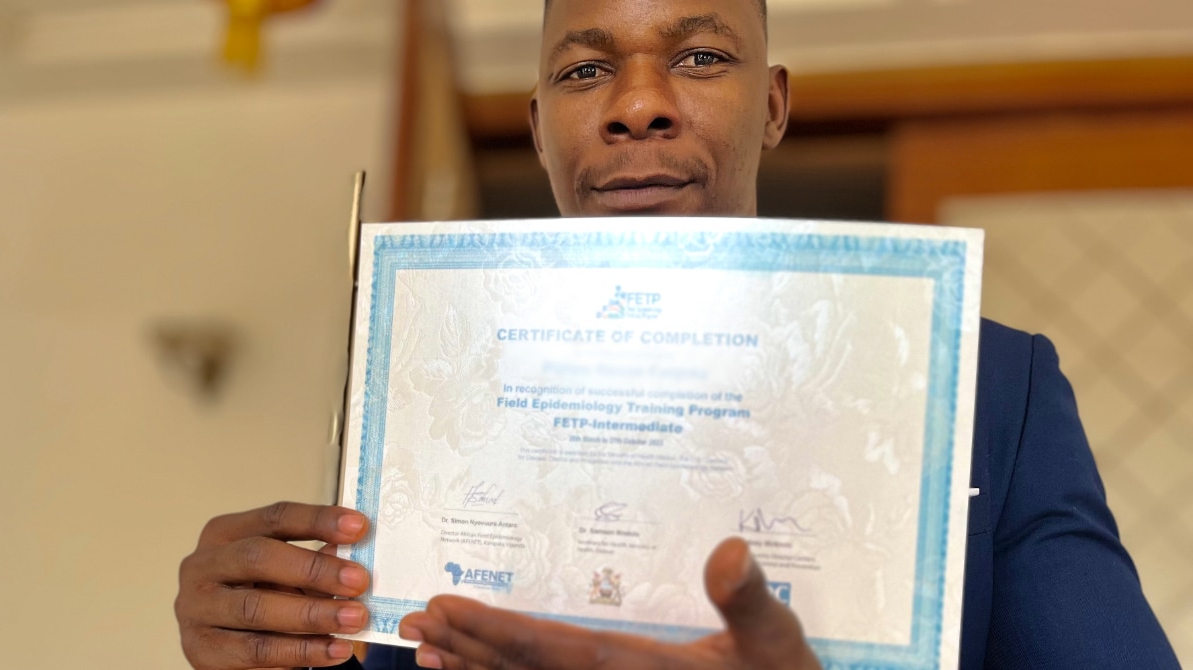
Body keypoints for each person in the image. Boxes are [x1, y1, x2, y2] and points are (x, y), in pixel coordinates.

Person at [173, 0, 1182, 668]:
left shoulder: (992, 388)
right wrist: (258, 639)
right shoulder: (422, 390)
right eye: (583, 72)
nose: (639, 105)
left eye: (699, 57)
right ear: (536, 127)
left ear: (775, 106)